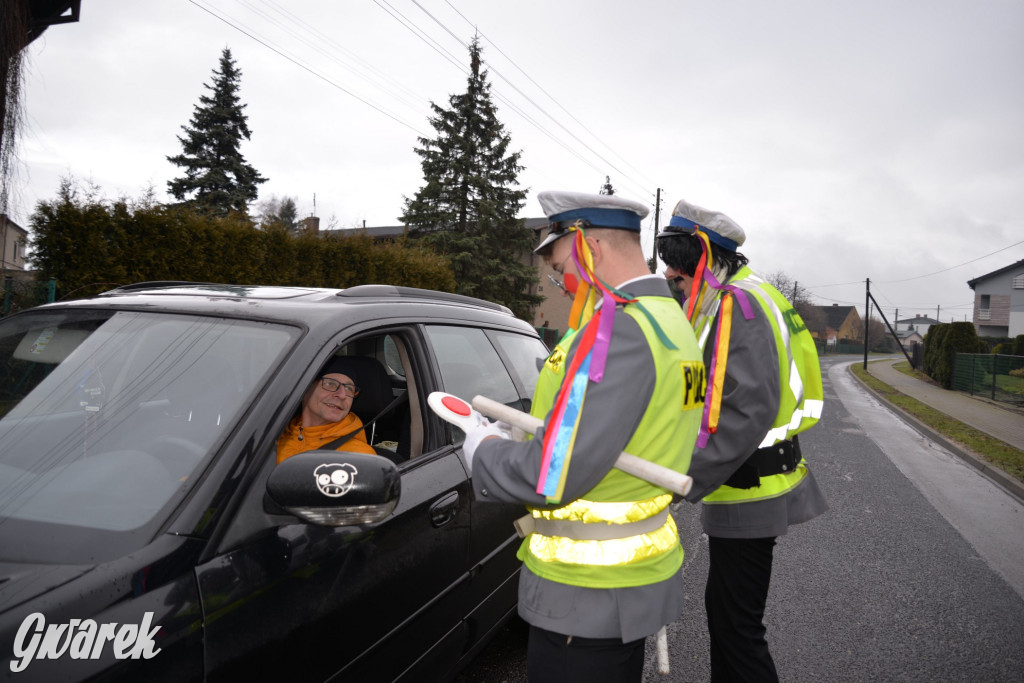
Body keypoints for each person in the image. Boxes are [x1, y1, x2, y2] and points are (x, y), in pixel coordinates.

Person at [463, 190, 706, 683]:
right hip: (624, 576)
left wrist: (484, 449)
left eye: (560, 267)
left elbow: (554, 474)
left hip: (587, 588)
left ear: (587, 246)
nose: (563, 284)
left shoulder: (619, 331)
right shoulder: (672, 322)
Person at [656, 197, 828, 682]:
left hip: (748, 487)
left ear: (705, 263)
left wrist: (677, 481)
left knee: (737, 630)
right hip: (754, 481)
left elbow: (742, 412)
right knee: (730, 620)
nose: (674, 280)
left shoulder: (736, 303)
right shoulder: (756, 292)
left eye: (680, 274)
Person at [276, 356, 377, 463]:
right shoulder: (272, 439)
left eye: (349, 388)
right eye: (330, 384)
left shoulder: (359, 456)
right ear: (304, 388)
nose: (342, 395)